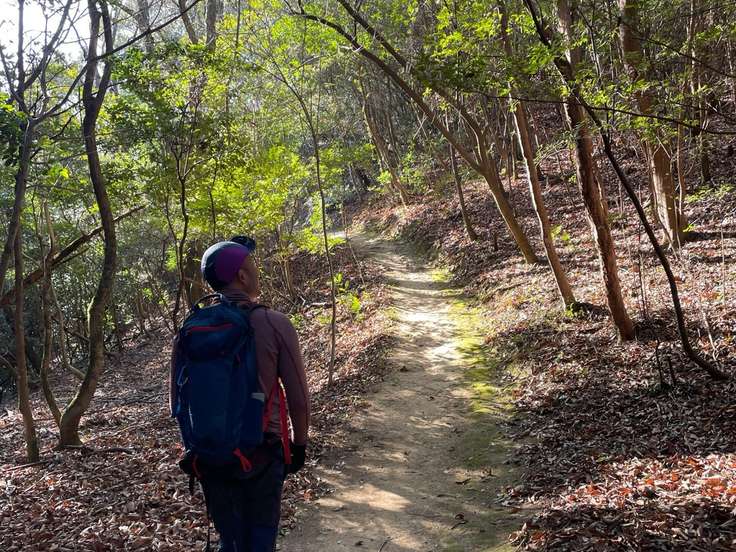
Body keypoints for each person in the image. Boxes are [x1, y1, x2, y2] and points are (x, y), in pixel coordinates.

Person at [170, 237, 310, 552]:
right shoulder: (273, 323)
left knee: (230, 540)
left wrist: (204, 442)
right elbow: (299, 399)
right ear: (242, 276)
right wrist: (298, 446)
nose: (257, 271)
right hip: (262, 452)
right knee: (259, 541)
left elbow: (177, 403)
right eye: (253, 265)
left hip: (210, 455)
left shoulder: (190, 329)